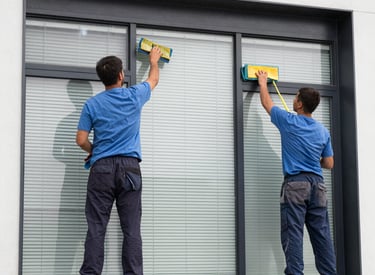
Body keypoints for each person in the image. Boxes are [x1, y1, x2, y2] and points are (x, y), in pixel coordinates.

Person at [76, 46, 162, 275]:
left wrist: (94, 150)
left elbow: (80, 139)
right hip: (130, 169)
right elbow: (153, 79)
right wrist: (153, 60)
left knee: (96, 227)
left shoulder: (91, 105)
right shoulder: (134, 95)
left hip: (101, 168)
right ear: (121, 76)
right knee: (132, 230)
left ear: (102, 79)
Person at [256, 70, 337, 275]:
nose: (294, 99)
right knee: (322, 235)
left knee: (293, 235)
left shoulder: (289, 121)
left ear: (300, 104)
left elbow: (267, 104)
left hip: (296, 185)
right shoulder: (322, 130)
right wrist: (312, 157)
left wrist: (263, 82)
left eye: (296, 97)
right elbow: (329, 163)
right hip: (318, 186)